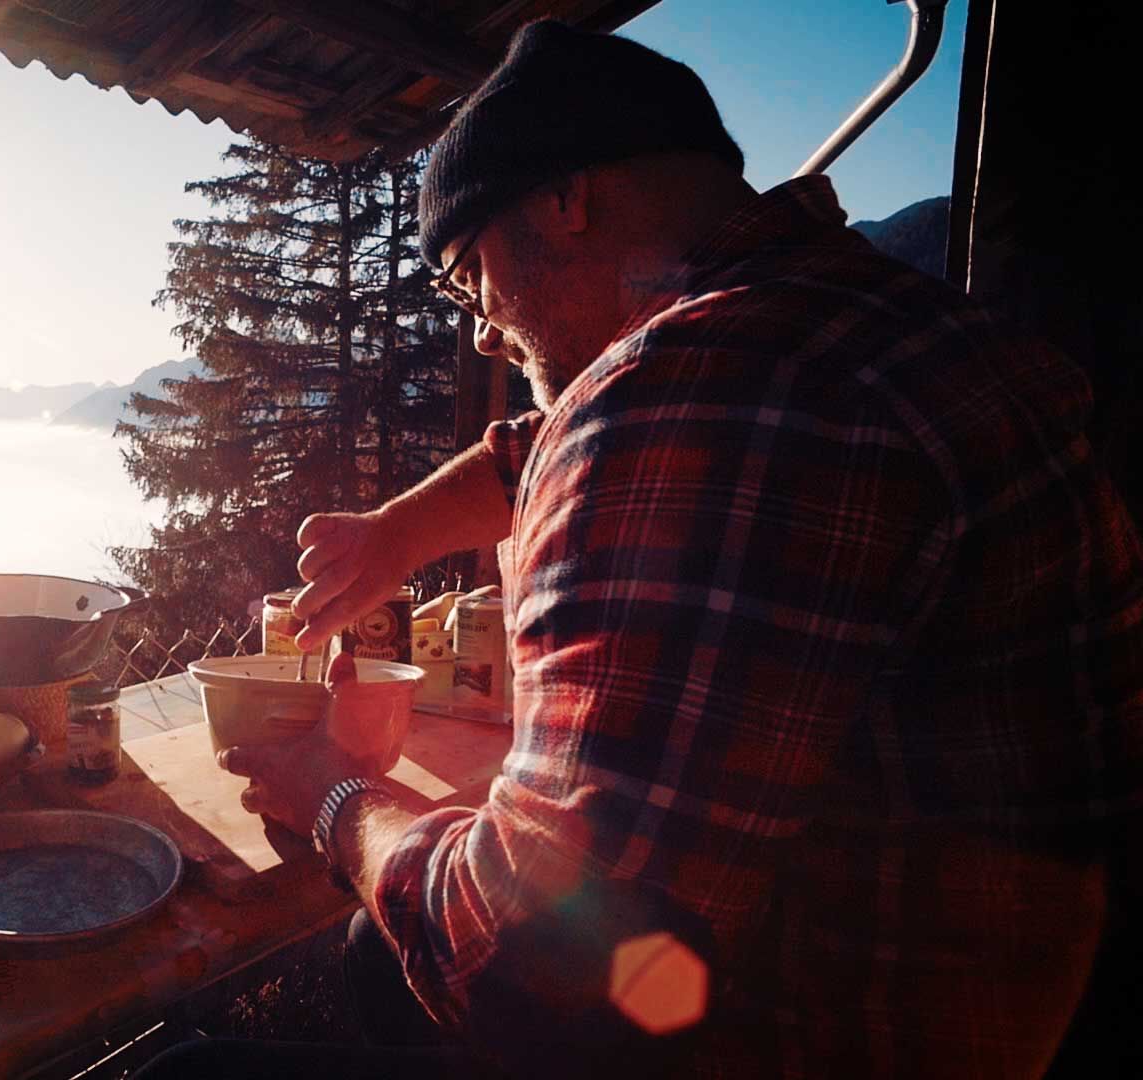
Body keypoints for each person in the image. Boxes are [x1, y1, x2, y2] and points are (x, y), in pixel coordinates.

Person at [138, 18, 1143, 1079]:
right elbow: (538, 451)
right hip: (984, 998)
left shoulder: (703, 390)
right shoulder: (891, 327)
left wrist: (335, 796)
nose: (478, 327)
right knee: (371, 959)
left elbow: (528, 968)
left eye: (463, 271)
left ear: (565, 200)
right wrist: (394, 538)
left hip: (792, 1039)